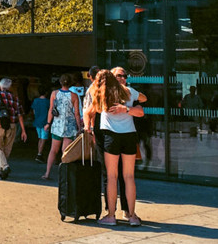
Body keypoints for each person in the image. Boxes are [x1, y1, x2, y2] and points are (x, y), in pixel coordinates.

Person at [85, 69, 144, 227]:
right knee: (129, 177)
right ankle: (132, 216)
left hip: (111, 136)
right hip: (129, 135)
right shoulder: (128, 91)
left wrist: (87, 128)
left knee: (111, 177)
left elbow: (89, 111)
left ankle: (111, 216)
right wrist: (126, 107)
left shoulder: (100, 94)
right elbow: (143, 100)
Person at [111, 67, 147, 221]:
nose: (123, 78)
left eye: (124, 76)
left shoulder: (128, 91)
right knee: (113, 176)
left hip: (122, 135)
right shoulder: (104, 90)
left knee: (124, 176)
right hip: (109, 134)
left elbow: (143, 99)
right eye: (119, 75)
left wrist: (131, 106)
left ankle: (126, 212)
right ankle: (115, 213)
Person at [42, 73, 82, 180]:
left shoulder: (54, 93)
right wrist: (79, 127)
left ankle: (47, 172)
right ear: (70, 83)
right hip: (69, 126)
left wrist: (48, 123)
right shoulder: (74, 96)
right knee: (65, 152)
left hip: (57, 125)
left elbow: (51, 109)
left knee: (53, 150)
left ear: (60, 82)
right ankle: (64, 175)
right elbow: (77, 113)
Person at [0, 78, 27, 179]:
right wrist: (23, 130)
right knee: (7, 148)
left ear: (0, 86)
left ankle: (5, 166)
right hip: (12, 125)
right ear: (10, 87)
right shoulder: (15, 98)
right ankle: (1, 170)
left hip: (0, 124)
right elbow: (20, 115)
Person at [31, 90, 50, 163]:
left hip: (37, 121)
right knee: (43, 139)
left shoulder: (35, 101)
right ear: (46, 93)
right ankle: (39, 154)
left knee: (40, 139)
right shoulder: (47, 102)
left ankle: (39, 153)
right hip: (45, 122)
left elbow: (34, 111)